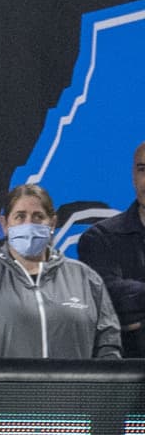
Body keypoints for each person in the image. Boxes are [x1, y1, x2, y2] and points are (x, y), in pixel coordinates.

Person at [0, 184, 121, 359]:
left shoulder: (85, 278)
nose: (29, 224)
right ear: (5, 224)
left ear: (52, 223)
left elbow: (108, 345)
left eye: (38, 216)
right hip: (1, 392)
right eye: (20, 216)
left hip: (72, 392)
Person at [73, 141, 145, 358]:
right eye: (143, 170)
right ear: (133, 175)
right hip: (130, 377)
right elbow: (110, 298)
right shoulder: (100, 239)